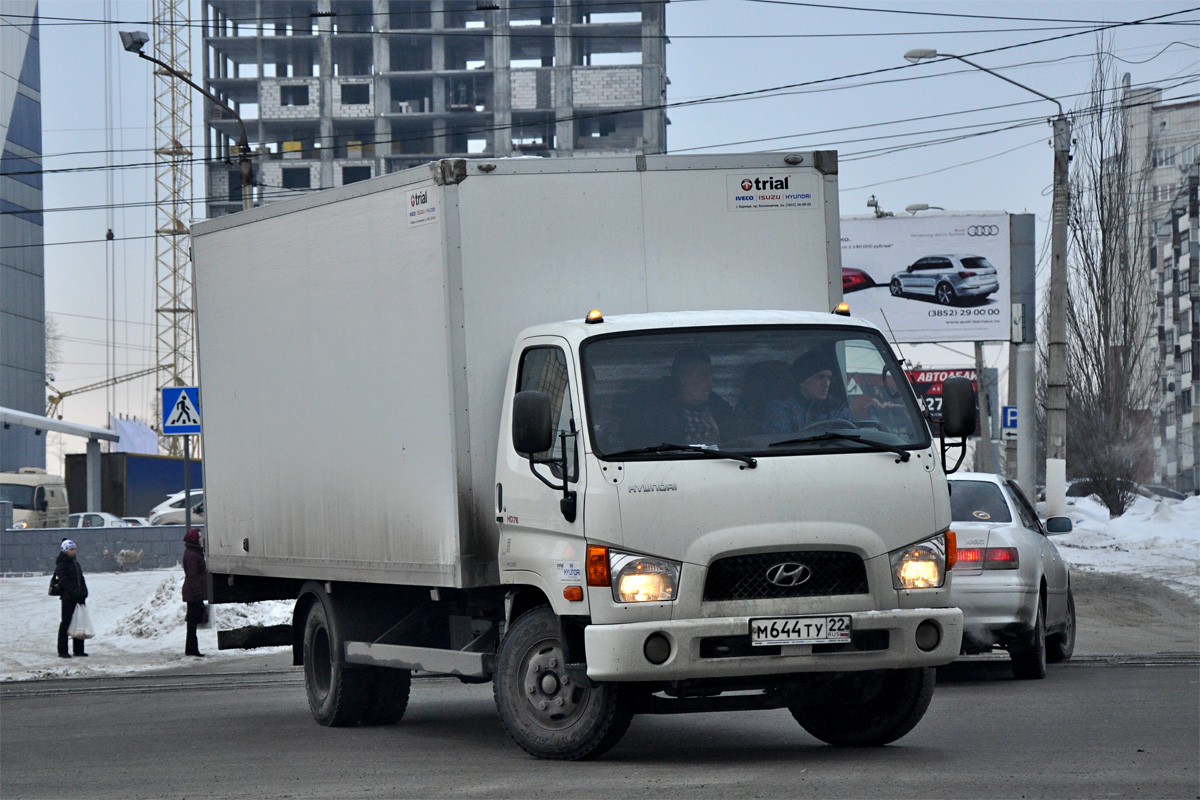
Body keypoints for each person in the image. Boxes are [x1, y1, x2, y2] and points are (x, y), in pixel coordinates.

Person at [635, 349, 733, 448]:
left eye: (711, 377)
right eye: (703, 376)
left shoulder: (720, 408)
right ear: (683, 378)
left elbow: (737, 445)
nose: (711, 384)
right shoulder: (654, 414)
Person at [763, 351, 853, 434]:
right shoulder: (781, 408)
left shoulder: (837, 408)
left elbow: (848, 439)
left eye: (828, 378)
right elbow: (780, 444)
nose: (826, 384)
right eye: (820, 377)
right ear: (802, 381)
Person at [54, 539, 88, 658]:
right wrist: (75, 593)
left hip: (78, 598)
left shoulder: (75, 563)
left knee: (78, 623)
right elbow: (64, 582)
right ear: (65, 550)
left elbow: (81, 579)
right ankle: (62, 650)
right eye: (71, 549)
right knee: (66, 623)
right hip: (68, 598)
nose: (74, 551)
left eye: (74, 549)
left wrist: (84, 592)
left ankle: (78, 649)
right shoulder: (62, 564)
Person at [182, 528, 208, 657]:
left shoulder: (193, 552)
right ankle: (192, 650)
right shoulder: (192, 555)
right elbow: (192, 576)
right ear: (194, 539)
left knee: (193, 622)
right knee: (192, 623)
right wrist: (198, 592)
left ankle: (191, 649)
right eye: (199, 537)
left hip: (193, 592)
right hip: (193, 593)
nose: (201, 539)